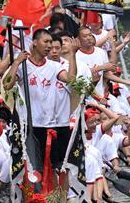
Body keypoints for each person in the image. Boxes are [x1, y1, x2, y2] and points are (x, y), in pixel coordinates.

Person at [7, 28, 78, 177]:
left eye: (51, 43)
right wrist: (16, 63)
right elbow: (7, 85)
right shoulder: (23, 65)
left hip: (51, 125)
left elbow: (70, 79)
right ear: (34, 42)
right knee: (32, 167)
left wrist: (72, 54)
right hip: (30, 125)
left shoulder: (54, 66)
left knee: (57, 167)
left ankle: (56, 198)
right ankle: (34, 196)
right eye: (46, 42)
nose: (49, 46)